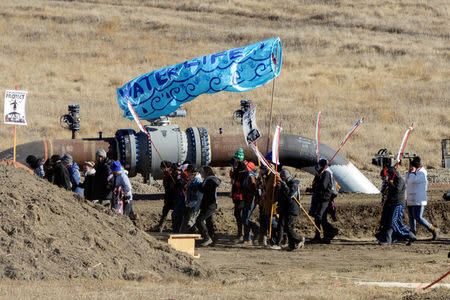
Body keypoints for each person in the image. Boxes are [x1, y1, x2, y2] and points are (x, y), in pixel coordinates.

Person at [378, 167, 417, 246]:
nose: (387, 176)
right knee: (390, 222)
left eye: (388, 174)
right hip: (392, 204)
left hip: (398, 204)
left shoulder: (399, 180)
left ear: (392, 174)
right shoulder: (392, 180)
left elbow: (396, 191)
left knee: (395, 222)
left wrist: (390, 183)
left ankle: (411, 236)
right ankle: (388, 240)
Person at [405, 157, 439, 240]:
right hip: (410, 198)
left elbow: (412, 180)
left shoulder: (422, 173)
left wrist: (412, 173)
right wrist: (409, 173)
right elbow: (407, 180)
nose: (410, 168)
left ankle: (433, 229)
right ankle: (412, 233)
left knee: (418, 217)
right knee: (411, 217)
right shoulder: (413, 172)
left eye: (412, 166)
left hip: (418, 199)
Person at [271, 170, 305, 250]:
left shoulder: (294, 184)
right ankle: (290, 245)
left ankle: (299, 239)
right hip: (284, 208)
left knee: (288, 227)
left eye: (283, 179)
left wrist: (284, 185)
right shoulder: (284, 183)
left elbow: (290, 195)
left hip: (292, 209)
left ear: (286, 178)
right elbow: (281, 196)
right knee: (281, 225)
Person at [312, 158, 338, 244]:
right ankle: (322, 236)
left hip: (325, 199)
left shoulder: (326, 173)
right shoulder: (323, 172)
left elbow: (323, 186)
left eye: (319, 164)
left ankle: (331, 231)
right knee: (322, 218)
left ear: (321, 165)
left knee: (318, 216)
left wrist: (317, 183)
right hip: (322, 198)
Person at [196, 166, 221, 246]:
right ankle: (212, 239)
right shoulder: (209, 180)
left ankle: (207, 238)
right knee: (209, 221)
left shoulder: (211, 180)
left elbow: (206, 190)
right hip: (208, 204)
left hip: (210, 204)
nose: (201, 174)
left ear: (206, 172)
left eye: (202, 172)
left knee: (199, 220)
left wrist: (199, 186)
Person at [179, 165, 203, 233]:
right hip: (190, 205)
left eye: (188, 172)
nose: (187, 174)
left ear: (193, 172)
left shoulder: (198, 181)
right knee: (187, 223)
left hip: (195, 206)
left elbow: (199, 195)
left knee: (190, 223)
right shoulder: (193, 180)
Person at [157, 161, 179, 232]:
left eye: (163, 168)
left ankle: (176, 229)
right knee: (164, 213)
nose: (162, 170)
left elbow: (177, 186)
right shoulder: (166, 175)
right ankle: (160, 228)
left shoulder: (174, 174)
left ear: (167, 168)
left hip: (175, 197)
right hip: (168, 197)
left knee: (175, 214)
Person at [242, 161, 260, 244]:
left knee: (245, 219)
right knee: (245, 218)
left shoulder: (250, 176)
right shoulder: (248, 175)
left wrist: (253, 199)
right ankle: (247, 237)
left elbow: (254, 188)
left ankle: (256, 230)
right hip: (248, 199)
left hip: (250, 200)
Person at [230, 158, 247, 243]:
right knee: (239, 215)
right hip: (238, 197)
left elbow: (238, 185)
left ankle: (242, 235)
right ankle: (242, 234)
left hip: (241, 198)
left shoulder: (242, 175)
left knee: (241, 216)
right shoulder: (238, 174)